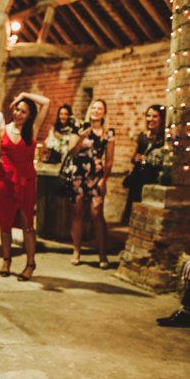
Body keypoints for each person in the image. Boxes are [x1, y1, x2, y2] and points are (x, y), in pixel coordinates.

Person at [0, 92, 50, 281]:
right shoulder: (2, 130)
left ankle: (30, 263)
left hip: (26, 181)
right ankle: (6, 260)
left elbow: (46, 102)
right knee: (5, 223)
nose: (18, 113)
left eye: (23, 111)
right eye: (17, 109)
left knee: (27, 224)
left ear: (30, 115)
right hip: (5, 180)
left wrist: (23, 95)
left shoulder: (32, 129)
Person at [68, 99, 115, 268]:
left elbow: (109, 160)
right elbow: (72, 153)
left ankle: (102, 255)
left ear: (104, 112)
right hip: (77, 177)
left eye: (99, 108)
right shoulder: (79, 127)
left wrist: (104, 179)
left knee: (97, 216)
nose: (96, 110)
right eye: (93, 107)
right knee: (77, 214)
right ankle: (77, 251)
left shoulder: (108, 132)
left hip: (96, 178)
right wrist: (81, 138)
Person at [122, 105, 165, 223]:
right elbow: (133, 158)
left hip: (151, 179)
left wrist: (147, 159)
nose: (150, 119)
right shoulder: (143, 136)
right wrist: (137, 158)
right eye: (148, 116)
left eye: (154, 116)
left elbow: (163, 161)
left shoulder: (164, 139)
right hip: (138, 179)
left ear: (161, 119)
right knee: (133, 215)